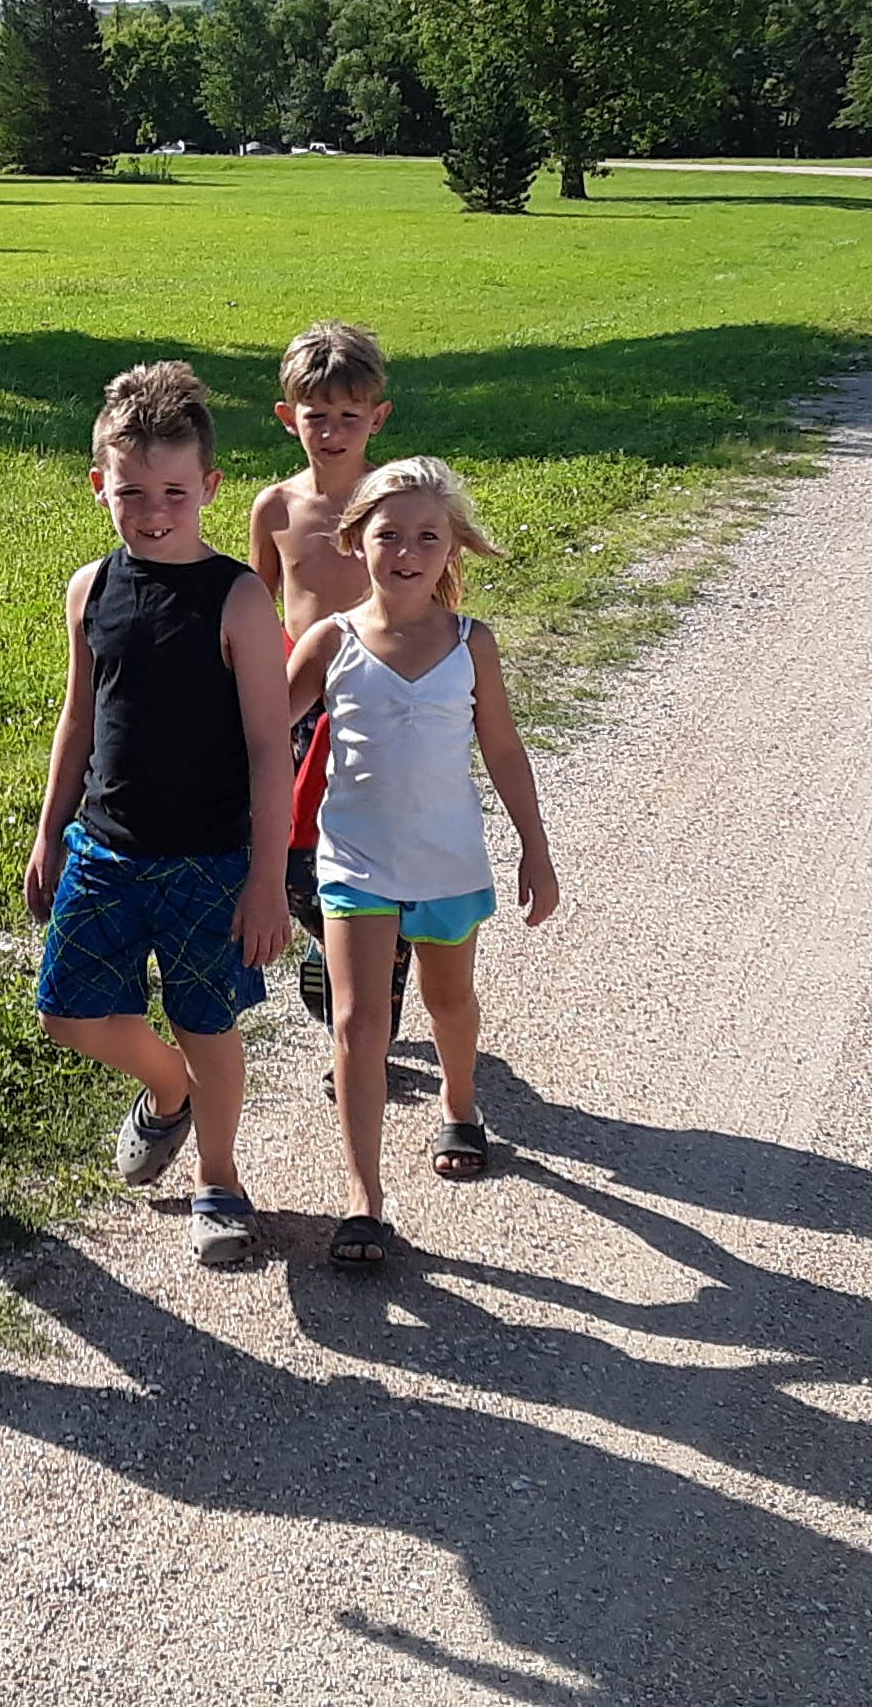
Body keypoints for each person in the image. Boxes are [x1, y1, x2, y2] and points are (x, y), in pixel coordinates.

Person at [23, 361, 291, 1268]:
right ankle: (166, 1089)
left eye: (174, 491)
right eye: (130, 490)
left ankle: (219, 1178)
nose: (152, 510)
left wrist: (266, 879)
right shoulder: (90, 587)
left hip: (210, 862)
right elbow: (78, 715)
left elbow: (267, 746)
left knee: (208, 1022)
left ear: (210, 488)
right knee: (67, 1013)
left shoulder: (239, 598)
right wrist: (50, 830)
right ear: (99, 483)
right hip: (103, 847)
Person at [283, 456, 561, 1269]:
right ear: (354, 541)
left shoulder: (473, 645)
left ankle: (460, 1102)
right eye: (389, 535)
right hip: (354, 865)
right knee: (358, 1023)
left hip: (448, 863)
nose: (406, 551)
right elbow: (262, 732)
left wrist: (534, 850)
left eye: (427, 537)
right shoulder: (331, 642)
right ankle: (363, 1200)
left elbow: (504, 752)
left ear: (453, 553)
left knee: (449, 1002)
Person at [246, 319, 407, 1039]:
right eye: (317, 417)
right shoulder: (277, 507)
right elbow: (254, 605)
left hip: (377, 699)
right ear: (289, 418)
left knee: (374, 844)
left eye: (350, 417)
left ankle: (378, 965)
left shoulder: (397, 505)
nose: (333, 432)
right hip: (298, 702)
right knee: (286, 849)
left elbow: (430, 602)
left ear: (378, 417)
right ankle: (333, 940)